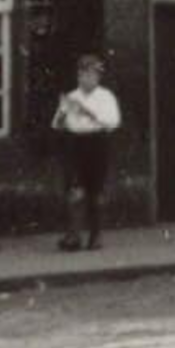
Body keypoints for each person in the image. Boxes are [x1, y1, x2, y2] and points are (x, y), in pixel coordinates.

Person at [52, 52, 122, 250]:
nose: (87, 78)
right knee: (75, 190)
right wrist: (63, 114)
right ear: (78, 75)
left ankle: (96, 236)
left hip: (98, 142)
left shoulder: (106, 97)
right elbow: (57, 124)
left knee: (97, 192)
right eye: (83, 74)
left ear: (99, 76)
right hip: (76, 144)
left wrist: (88, 112)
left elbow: (113, 122)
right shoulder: (71, 97)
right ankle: (73, 236)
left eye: (92, 74)